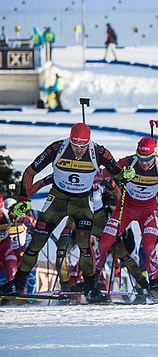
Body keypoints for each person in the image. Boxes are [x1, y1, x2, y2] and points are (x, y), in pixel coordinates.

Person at [0, 124, 132, 301]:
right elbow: (30, 171)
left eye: (82, 146)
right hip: (57, 199)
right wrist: (23, 198)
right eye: (75, 145)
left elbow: (117, 174)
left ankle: (91, 287)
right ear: (70, 139)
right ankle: (18, 282)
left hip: (82, 202)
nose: (78, 150)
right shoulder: (57, 148)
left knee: (85, 245)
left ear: (88, 143)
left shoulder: (98, 152)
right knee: (36, 243)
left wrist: (126, 175)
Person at [95, 137, 158, 302]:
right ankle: (93, 282)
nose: (144, 163)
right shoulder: (129, 161)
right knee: (104, 243)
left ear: (155, 154)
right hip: (125, 208)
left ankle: (154, 288)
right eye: (140, 158)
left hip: (147, 211)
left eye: (147, 159)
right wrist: (115, 178)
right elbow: (102, 175)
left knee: (149, 247)